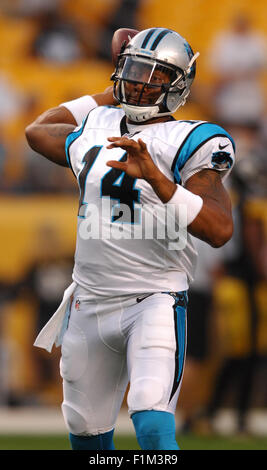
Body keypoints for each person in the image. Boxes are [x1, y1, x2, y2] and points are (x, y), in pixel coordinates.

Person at [25, 27, 235, 450]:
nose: (139, 83)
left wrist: (158, 179)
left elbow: (218, 229)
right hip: (89, 299)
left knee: (149, 411)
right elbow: (37, 131)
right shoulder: (97, 124)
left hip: (153, 297)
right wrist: (109, 98)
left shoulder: (192, 138)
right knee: (85, 430)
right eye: (133, 70)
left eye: (152, 75)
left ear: (176, 85)